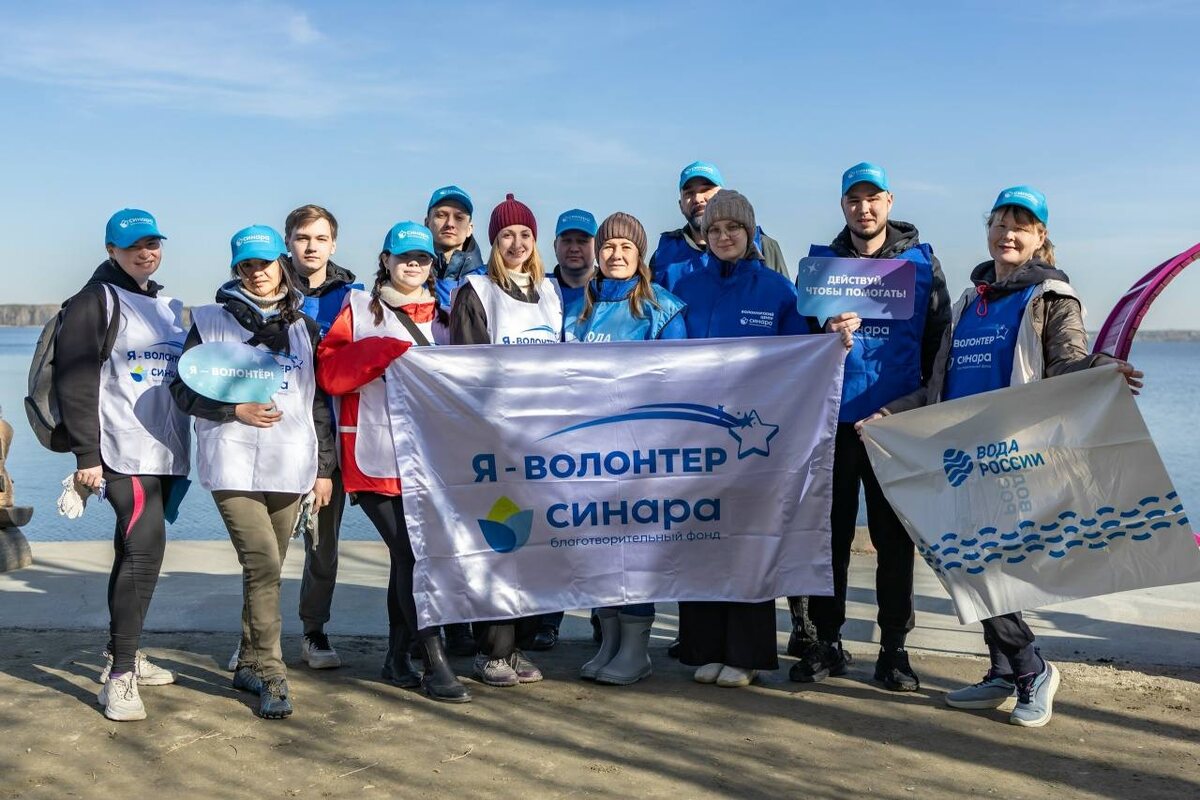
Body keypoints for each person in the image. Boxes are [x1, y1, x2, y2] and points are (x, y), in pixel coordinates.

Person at [857, 186, 1143, 726]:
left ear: (1040, 237)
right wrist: (892, 413)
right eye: (1000, 225)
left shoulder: (1051, 297)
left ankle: (1032, 668)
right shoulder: (971, 301)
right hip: (960, 456)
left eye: (1021, 227)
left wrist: (1102, 367)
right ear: (988, 230)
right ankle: (1003, 671)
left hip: (1014, 452)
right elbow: (938, 384)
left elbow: (1067, 362)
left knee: (984, 565)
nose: (1008, 235)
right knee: (969, 562)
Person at [671, 190, 856, 688]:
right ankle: (705, 646)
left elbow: (803, 355)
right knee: (701, 538)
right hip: (697, 437)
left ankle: (745, 653)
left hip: (755, 439)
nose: (723, 236)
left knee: (747, 543)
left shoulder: (776, 289)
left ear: (750, 233)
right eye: (714, 229)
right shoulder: (683, 286)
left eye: (733, 227)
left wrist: (832, 342)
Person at [789, 163, 952, 692]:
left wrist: (918, 412)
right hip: (832, 424)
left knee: (894, 542)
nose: (864, 208)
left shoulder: (922, 265)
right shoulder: (821, 268)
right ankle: (827, 642)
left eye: (873, 198)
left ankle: (894, 650)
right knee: (830, 538)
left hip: (894, 426)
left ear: (889, 202)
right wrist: (823, 328)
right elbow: (795, 341)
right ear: (843, 206)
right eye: (854, 199)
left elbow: (940, 349)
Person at [171, 225, 336, 719]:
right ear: (236, 269)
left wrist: (324, 469)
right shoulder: (209, 321)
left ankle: (248, 662)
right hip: (232, 461)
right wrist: (233, 410)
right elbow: (181, 391)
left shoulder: (305, 327)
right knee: (262, 563)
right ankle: (272, 672)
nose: (257, 273)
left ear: (281, 263)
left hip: (291, 462)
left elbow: (317, 403)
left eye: (265, 263)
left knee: (265, 570)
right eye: (247, 265)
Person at [315, 221, 470, 703]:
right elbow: (330, 374)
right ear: (385, 259)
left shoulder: (447, 316)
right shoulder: (359, 308)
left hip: (430, 459)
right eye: (403, 257)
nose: (413, 265)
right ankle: (435, 662)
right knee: (412, 555)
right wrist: (380, 352)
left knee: (408, 559)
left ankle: (396, 657)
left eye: (422, 258)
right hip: (373, 456)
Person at [56, 209, 190, 721]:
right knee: (145, 550)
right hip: (118, 453)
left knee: (133, 551)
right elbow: (75, 381)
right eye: (133, 246)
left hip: (164, 452)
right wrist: (86, 456)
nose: (145, 253)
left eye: (152, 243)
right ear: (111, 249)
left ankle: (122, 653)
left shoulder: (167, 306)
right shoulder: (95, 300)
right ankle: (119, 678)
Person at [564, 212, 687, 685]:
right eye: (609, 246)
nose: (616, 255)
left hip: (639, 452)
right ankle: (610, 640)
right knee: (599, 548)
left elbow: (676, 383)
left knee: (633, 551)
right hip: (587, 451)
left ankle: (637, 649)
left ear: (640, 255)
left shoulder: (662, 308)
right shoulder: (579, 307)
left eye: (626, 247)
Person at [449, 192, 561, 686]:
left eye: (525, 234)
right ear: (494, 241)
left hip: (542, 440)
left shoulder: (550, 293)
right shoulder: (477, 290)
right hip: (495, 440)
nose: (517, 244)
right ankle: (489, 650)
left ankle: (516, 646)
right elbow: (468, 369)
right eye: (507, 235)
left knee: (534, 547)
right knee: (499, 543)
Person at [280, 204, 358, 672]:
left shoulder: (353, 299)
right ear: (288, 241)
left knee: (321, 545)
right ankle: (254, 639)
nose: (311, 246)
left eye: (320, 238)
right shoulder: (267, 288)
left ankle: (314, 630)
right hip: (276, 437)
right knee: (263, 550)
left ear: (333, 244)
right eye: (302, 237)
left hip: (334, 439)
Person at [649, 161, 790, 291]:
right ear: (681, 205)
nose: (698, 199)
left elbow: (785, 299)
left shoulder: (763, 246)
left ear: (722, 195)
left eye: (706, 189)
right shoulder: (663, 255)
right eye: (689, 193)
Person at [427, 185, 487, 310]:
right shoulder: (408, 277)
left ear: (470, 228)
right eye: (441, 215)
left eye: (459, 217)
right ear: (427, 223)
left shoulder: (489, 279)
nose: (450, 224)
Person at [549, 208, 598, 309]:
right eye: (567, 241)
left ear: (597, 246)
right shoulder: (538, 290)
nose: (574, 249)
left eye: (582, 241)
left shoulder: (611, 292)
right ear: (555, 246)